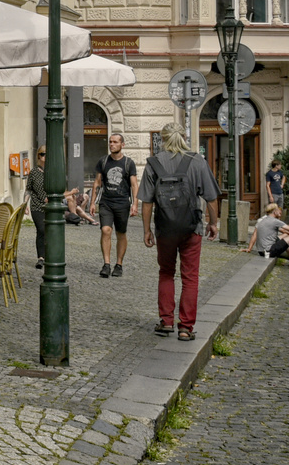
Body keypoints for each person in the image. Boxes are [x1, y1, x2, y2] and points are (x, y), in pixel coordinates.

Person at [141, 124, 223, 341]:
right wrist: (213, 223)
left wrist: (146, 229)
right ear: (184, 137)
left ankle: (166, 321)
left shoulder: (153, 163)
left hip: (164, 229)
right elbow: (211, 198)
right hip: (191, 228)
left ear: (163, 139)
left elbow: (147, 202)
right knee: (190, 277)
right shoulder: (197, 161)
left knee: (166, 272)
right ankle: (186, 327)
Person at [95, 133, 139, 278]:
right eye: (110, 142)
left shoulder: (128, 163)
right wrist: (93, 202)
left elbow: (134, 185)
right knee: (106, 230)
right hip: (106, 202)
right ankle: (106, 264)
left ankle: (118, 264)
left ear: (122, 145)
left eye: (115, 142)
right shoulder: (103, 161)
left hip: (122, 203)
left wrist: (135, 204)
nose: (112, 144)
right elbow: (97, 182)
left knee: (121, 233)